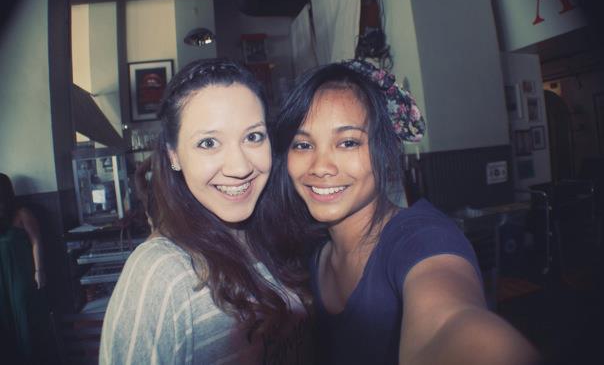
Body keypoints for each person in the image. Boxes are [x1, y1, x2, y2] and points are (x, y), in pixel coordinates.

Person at [269, 60, 540, 365]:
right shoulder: (313, 252)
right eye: (303, 145)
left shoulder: (422, 238)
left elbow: (449, 324)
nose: (320, 167)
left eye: (347, 142)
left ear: (386, 153)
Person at [100, 59, 313, 364]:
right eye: (209, 143)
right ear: (174, 155)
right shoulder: (159, 273)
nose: (239, 167)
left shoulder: (274, 234)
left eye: (253, 136)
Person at [0, 173, 48, 364]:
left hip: (21, 274)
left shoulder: (22, 213)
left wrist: (39, 271)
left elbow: (36, 241)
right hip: (2, 277)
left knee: (25, 316)